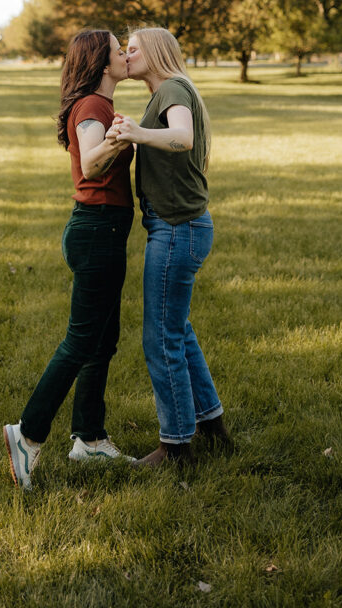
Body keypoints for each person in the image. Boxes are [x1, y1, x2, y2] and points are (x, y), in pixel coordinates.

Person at [4, 29, 135, 490]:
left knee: (102, 340)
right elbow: (93, 165)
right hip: (97, 229)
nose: (126, 55)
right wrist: (122, 136)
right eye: (120, 50)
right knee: (81, 341)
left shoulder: (97, 104)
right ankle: (28, 433)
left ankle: (90, 439)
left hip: (103, 228)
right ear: (102, 62)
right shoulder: (94, 106)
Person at [109, 27, 231, 466]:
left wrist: (138, 134)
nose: (126, 54)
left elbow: (182, 138)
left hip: (178, 228)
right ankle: (212, 425)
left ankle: (176, 446)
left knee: (161, 336)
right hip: (183, 226)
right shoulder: (163, 92)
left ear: (156, 52)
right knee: (177, 330)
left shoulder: (174, 89)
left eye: (134, 48)